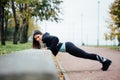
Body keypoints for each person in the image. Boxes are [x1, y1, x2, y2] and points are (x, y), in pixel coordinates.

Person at [32, 30, 112, 71]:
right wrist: (49, 50)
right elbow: (54, 48)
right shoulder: (46, 38)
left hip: (68, 47)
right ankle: (104, 61)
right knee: (85, 55)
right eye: (36, 39)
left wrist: (50, 49)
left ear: (41, 34)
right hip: (68, 47)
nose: (38, 39)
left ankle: (105, 61)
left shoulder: (45, 37)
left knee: (85, 55)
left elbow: (56, 39)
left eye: (38, 36)